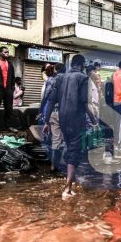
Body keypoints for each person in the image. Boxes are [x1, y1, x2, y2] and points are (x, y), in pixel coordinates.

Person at [43, 55, 96, 198]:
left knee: (68, 147)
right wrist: (95, 122)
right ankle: (68, 188)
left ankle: (68, 179)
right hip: (76, 120)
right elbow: (85, 104)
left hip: (62, 120)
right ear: (82, 64)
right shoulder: (83, 78)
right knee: (74, 152)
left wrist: (46, 122)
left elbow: (51, 100)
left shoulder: (60, 78)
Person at [40, 63, 65, 171]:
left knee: (56, 139)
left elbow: (46, 98)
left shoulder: (51, 81)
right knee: (67, 140)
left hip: (54, 112)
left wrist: (44, 114)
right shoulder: (69, 81)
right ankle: (66, 165)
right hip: (67, 113)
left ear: (55, 70)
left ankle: (54, 166)